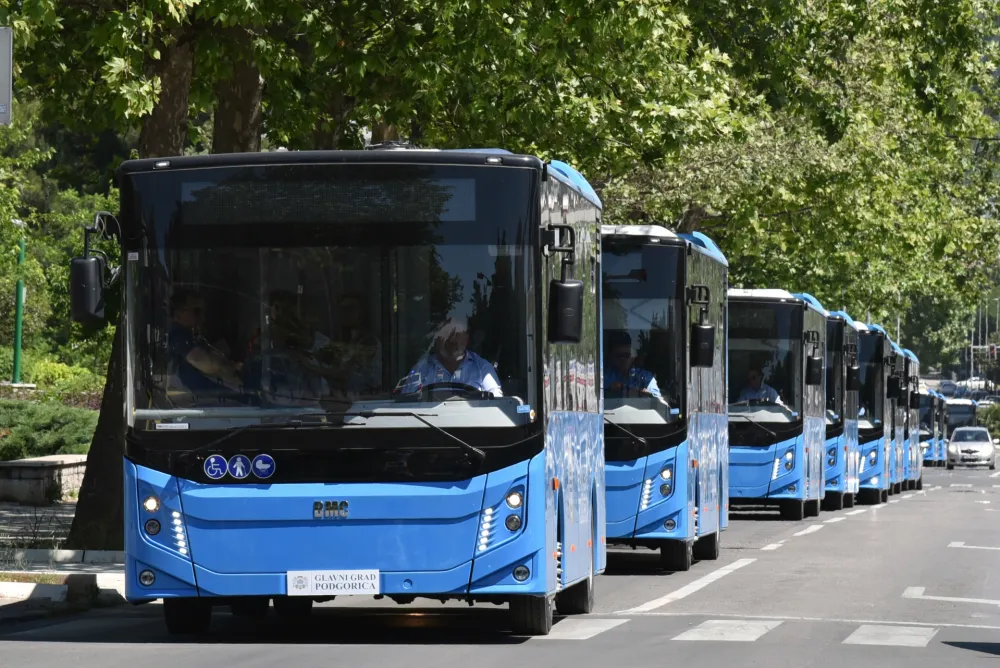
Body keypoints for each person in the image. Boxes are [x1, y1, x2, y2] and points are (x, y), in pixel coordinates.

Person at [399, 314, 502, 397]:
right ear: (438, 338)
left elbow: (497, 406)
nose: (452, 340)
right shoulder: (421, 369)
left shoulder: (482, 369)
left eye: (457, 334)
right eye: (447, 333)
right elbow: (404, 407)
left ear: (466, 338)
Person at [167, 289, 244, 395]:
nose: (202, 318)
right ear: (178, 314)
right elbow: (210, 365)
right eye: (197, 312)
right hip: (198, 402)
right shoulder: (178, 336)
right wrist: (222, 353)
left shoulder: (191, 336)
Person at [603, 331, 661, 398]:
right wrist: (609, 391)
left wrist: (642, 393)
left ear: (632, 356)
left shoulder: (645, 377)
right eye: (619, 356)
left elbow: (658, 398)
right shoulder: (603, 377)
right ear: (611, 356)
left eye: (626, 355)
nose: (623, 360)